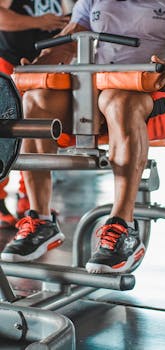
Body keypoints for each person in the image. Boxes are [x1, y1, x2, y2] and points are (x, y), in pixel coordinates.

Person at [1, 0, 165, 273]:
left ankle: (123, 226)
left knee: (119, 100)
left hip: (158, 91)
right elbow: (70, 40)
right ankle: (41, 220)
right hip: (99, 89)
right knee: (36, 101)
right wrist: (42, 63)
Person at [0, 0, 71, 228]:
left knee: (35, 133)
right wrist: (39, 21)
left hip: (41, 67)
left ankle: (29, 198)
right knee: (3, 135)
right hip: (8, 62)